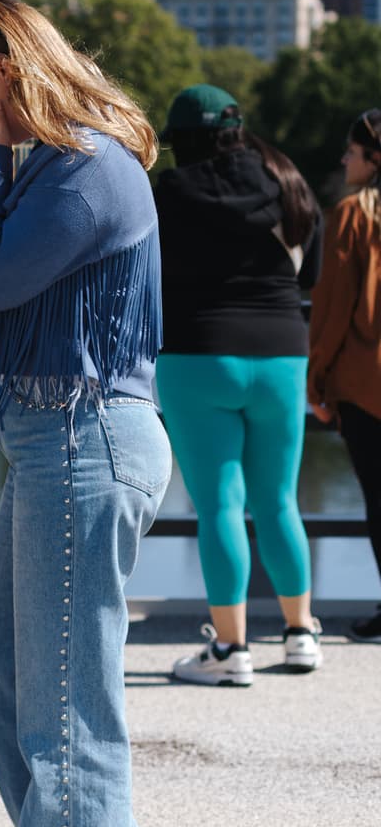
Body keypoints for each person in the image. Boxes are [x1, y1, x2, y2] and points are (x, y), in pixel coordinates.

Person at [0, 0, 171, 827]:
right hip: (49, 435)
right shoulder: (54, 172)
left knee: (65, 698)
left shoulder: (85, 170)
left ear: (16, 71)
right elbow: (25, 310)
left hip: (85, 441)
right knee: (10, 680)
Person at [154, 86, 324, 685]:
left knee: (220, 505)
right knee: (279, 501)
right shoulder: (287, 181)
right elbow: (316, 269)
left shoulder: (168, 193)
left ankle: (230, 651)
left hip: (197, 357)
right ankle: (301, 634)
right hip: (282, 355)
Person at [307, 108, 381, 643]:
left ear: (373, 159)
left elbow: (333, 311)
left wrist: (317, 380)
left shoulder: (353, 213)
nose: (344, 159)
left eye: (351, 152)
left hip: (366, 383)